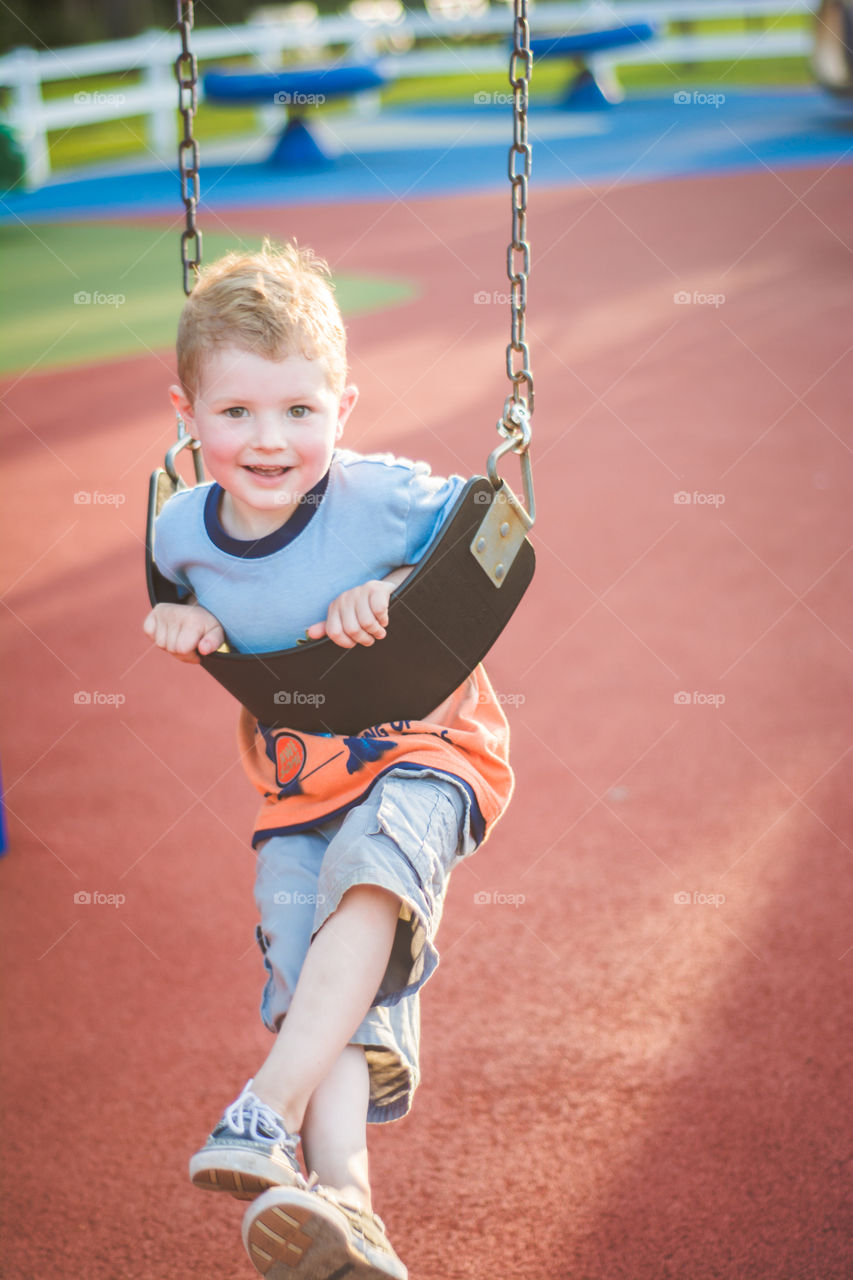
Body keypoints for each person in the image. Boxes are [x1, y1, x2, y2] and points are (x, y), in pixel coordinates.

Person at [143, 242, 514, 1280]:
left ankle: (263, 1112)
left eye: (300, 411)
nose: (270, 441)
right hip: (300, 777)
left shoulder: (378, 494)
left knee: (370, 882)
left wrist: (394, 582)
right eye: (237, 414)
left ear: (342, 408)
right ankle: (348, 1204)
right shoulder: (180, 533)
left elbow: (481, 533)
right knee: (316, 978)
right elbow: (193, 594)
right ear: (187, 414)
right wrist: (181, 619)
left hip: (427, 744)